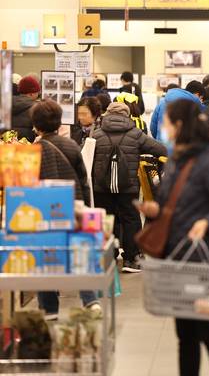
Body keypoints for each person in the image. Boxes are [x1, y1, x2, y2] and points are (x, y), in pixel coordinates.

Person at [136, 99, 209, 376]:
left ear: (179, 125)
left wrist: (207, 222)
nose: (163, 128)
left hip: (206, 263)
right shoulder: (177, 157)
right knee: (186, 336)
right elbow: (176, 203)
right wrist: (157, 209)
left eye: (166, 122)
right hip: (178, 258)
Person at [31, 99, 99, 320]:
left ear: (36, 124)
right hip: (74, 206)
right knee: (78, 253)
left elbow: (31, 183)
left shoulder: (35, 149)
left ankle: (49, 308)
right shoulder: (71, 145)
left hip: (45, 211)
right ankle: (90, 300)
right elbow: (83, 179)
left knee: (46, 258)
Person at [92, 102, 166, 273]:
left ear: (107, 114)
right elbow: (160, 149)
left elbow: (84, 156)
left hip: (101, 187)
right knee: (131, 219)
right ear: (127, 115)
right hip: (128, 187)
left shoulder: (96, 134)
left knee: (106, 219)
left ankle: (107, 258)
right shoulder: (136, 134)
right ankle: (131, 259)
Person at [12, 75, 40, 142]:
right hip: (27, 147)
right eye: (37, 92)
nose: (38, 95)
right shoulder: (36, 108)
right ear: (31, 94)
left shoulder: (5, 104)